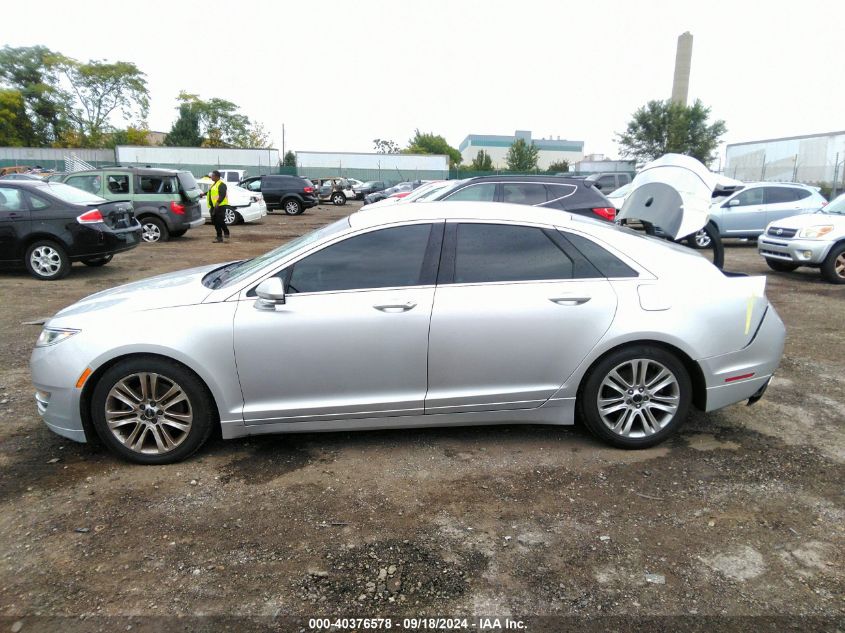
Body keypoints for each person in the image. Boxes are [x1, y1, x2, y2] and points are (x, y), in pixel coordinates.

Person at [207, 170, 230, 243]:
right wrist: (203, 194)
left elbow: (222, 194)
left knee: (219, 221)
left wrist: (218, 202)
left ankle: (220, 236)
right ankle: (224, 233)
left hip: (220, 206)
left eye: (213, 176)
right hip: (213, 206)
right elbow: (210, 193)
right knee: (215, 222)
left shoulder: (221, 184)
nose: (211, 177)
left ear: (217, 177)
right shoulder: (213, 184)